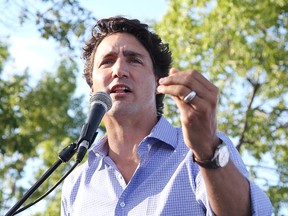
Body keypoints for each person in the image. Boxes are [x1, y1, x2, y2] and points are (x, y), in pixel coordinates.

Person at [61, 16, 272, 216]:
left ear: (158, 82)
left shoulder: (205, 151)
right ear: (92, 88)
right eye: (107, 61)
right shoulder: (76, 184)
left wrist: (207, 149)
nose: (119, 70)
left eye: (134, 60)